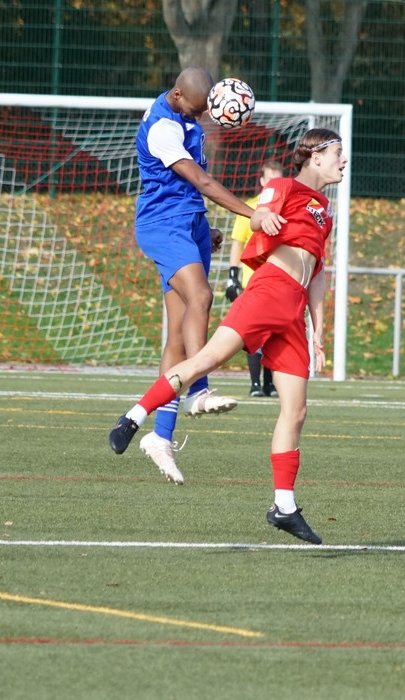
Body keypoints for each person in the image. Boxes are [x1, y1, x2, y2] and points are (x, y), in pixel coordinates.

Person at [110, 128, 347, 543]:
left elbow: (317, 272)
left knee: (296, 411)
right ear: (315, 157)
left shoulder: (324, 208)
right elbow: (259, 215)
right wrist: (264, 216)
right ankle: (133, 418)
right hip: (268, 292)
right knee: (206, 359)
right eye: (338, 153)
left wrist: (319, 330)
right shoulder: (283, 187)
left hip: (293, 311)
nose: (344, 161)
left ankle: (284, 507)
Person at [133, 66, 255, 485]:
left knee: (176, 336)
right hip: (164, 225)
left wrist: (207, 227)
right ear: (178, 94)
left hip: (190, 224)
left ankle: (160, 437)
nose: (202, 116)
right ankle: (199, 390)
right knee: (201, 297)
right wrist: (252, 215)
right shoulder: (163, 128)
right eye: (198, 109)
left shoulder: (187, 116)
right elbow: (200, 180)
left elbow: (188, 188)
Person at [226, 160, 286, 398]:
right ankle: (254, 384)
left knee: (273, 333)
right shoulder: (250, 208)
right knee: (253, 332)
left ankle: (269, 384)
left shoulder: (286, 208)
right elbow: (237, 243)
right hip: (253, 281)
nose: (272, 184)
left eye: (277, 180)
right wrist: (233, 276)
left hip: (278, 280)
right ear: (262, 181)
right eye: (269, 179)